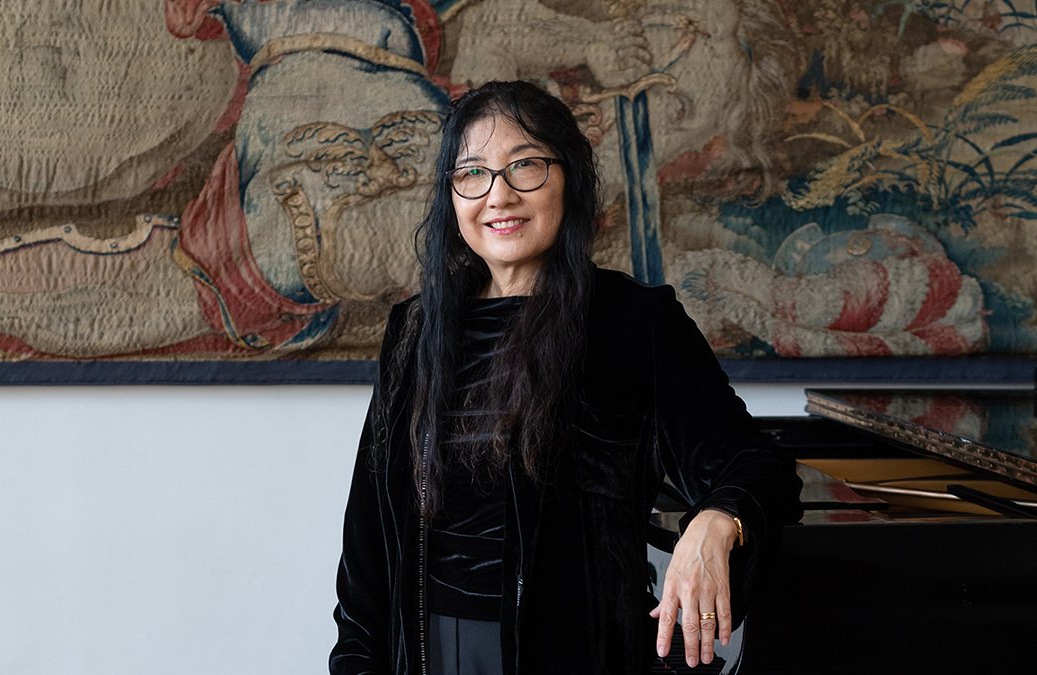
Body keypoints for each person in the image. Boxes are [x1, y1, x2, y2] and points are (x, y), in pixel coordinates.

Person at [329, 80, 801, 675]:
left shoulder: (633, 323)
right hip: (426, 656)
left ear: (568, 178)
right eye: (472, 173)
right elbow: (367, 539)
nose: (497, 196)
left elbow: (758, 466)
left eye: (523, 166)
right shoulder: (415, 330)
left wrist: (714, 521)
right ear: (452, 197)